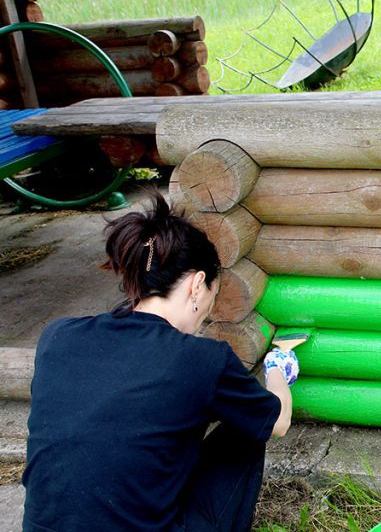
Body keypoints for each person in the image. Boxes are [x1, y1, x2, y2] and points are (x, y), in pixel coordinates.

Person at [22, 192, 301, 531]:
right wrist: (277, 370)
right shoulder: (201, 359)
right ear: (198, 285)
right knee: (248, 429)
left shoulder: (58, 336)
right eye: (213, 296)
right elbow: (277, 422)